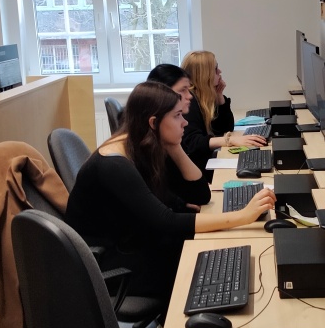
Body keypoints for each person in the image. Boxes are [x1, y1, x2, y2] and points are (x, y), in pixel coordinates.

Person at [66, 81, 276, 302]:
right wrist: (242, 216)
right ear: (153, 122)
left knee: (214, 252)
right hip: (110, 266)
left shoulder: (141, 143)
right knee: (202, 266)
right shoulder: (114, 164)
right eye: (177, 116)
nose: (185, 122)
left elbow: (200, 195)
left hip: (133, 240)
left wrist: (175, 146)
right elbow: (166, 221)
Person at [180, 50, 266, 180]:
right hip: (197, 170)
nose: (220, 71)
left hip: (205, 162)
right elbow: (192, 143)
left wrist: (219, 97)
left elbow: (225, 127)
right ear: (204, 75)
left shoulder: (205, 97)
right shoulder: (189, 102)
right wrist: (229, 140)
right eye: (215, 69)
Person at [147, 63, 207, 208]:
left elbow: (201, 196)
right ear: (162, 92)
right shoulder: (147, 148)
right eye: (183, 90)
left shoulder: (167, 134)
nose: (190, 96)